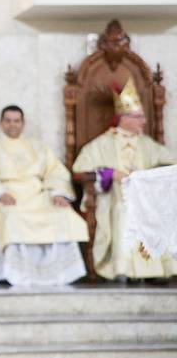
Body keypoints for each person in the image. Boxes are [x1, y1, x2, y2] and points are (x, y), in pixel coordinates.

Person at [73, 77, 176, 281]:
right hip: (113, 195)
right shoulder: (101, 144)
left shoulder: (148, 144)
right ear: (124, 118)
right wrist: (110, 174)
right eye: (139, 117)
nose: (144, 122)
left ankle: (158, 270)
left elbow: (171, 163)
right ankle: (123, 269)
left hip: (145, 196)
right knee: (123, 209)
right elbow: (79, 170)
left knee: (156, 210)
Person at [0, 105, 89, 286]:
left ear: (23, 123)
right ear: (1, 123)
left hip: (38, 196)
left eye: (17, 121)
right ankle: (13, 274)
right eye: (8, 121)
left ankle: (64, 274)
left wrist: (57, 193)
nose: (13, 125)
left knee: (63, 215)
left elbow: (55, 171)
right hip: (8, 197)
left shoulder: (37, 145)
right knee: (10, 218)